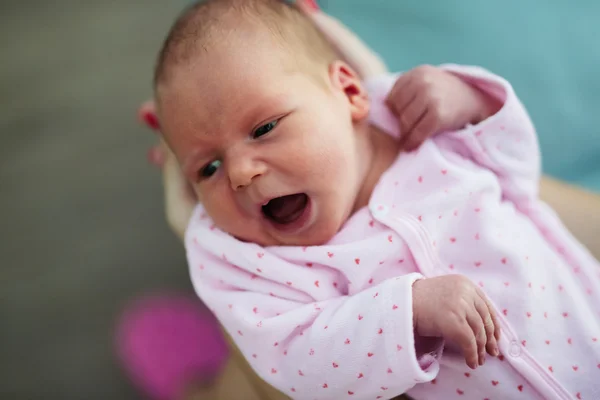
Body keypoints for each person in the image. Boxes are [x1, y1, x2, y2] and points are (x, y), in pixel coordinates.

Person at [122, 1, 600, 399]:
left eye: (264, 128)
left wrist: (474, 102)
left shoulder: (420, 127)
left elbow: (519, 179)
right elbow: (295, 357)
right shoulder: (263, 260)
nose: (243, 174)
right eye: (208, 168)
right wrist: (407, 312)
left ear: (350, 92)